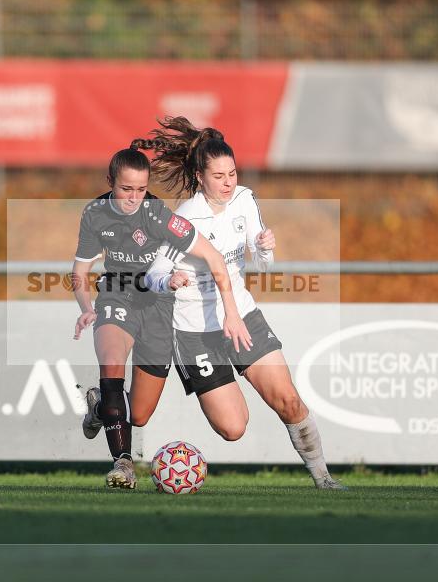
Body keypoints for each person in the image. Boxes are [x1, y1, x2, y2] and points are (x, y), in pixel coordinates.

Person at [139, 117, 344, 490]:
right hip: (196, 333)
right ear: (200, 177)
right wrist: (168, 279)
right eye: (219, 176)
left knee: (289, 401)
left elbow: (261, 265)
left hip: (242, 316)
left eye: (232, 173)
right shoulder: (185, 218)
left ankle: (325, 480)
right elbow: (152, 275)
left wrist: (267, 250)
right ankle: (106, 404)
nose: (228, 182)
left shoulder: (245, 200)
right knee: (233, 428)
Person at [73, 147, 251, 490]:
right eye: (126, 189)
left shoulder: (158, 216)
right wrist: (86, 307)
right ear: (111, 182)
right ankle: (123, 465)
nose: (134, 197)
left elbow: (213, 256)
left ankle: (99, 409)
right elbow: (80, 270)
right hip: (116, 294)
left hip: (157, 307)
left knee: (137, 414)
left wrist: (231, 310)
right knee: (111, 363)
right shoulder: (95, 213)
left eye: (141, 189)